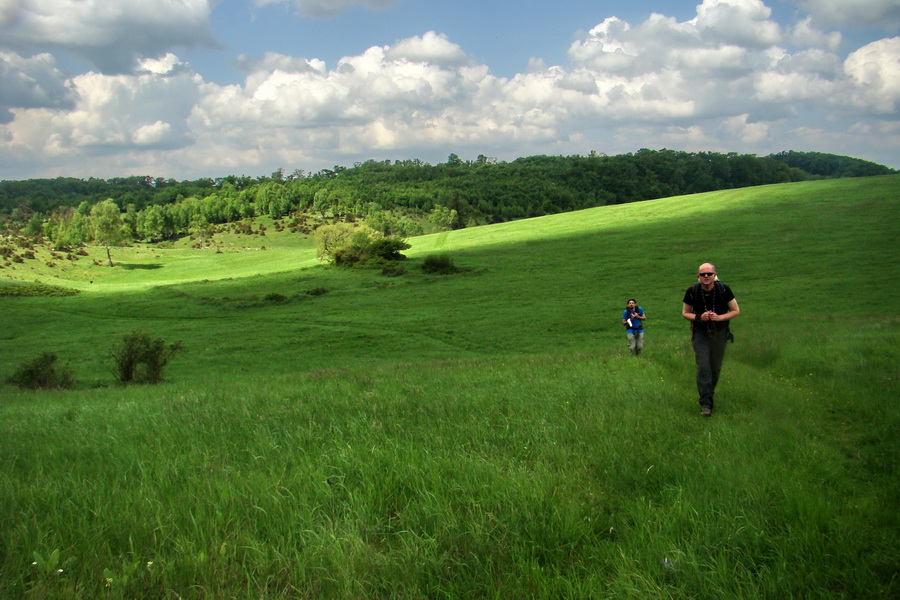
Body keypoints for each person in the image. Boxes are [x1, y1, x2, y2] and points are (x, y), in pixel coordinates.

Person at [682, 263, 740, 417]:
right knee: (704, 366)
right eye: (703, 274)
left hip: (719, 332)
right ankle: (706, 404)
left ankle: (709, 394)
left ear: (715, 275)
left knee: (715, 367)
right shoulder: (692, 291)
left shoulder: (724, 290)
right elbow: (685, 313)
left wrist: (719, 318)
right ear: (698, 277)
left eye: (709, 274)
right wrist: (700, 317)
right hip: (700, 332)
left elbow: (735, 311)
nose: (706, 276)